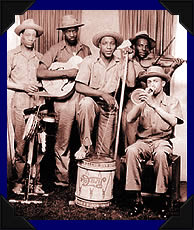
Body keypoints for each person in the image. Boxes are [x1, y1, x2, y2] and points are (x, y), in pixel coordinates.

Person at [37, 15, 91, 187]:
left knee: (86, 137)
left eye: (74, 30)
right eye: (69, 31)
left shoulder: (86, 50)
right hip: (63, 99)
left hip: (82, 96)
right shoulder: (55, 50)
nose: (72, 33)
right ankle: (62, 178)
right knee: (63, 139)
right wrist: (65, 73)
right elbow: (41, 73)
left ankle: (87, 176)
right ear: (63, 33)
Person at [125, 66, 184, 218]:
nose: (151, 84)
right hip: (143, 141)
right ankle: (137, 200)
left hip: (162, 141)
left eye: (155, 81)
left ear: (163, 83)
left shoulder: (172, 101)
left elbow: (173, 121)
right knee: (131, 151)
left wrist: (154, 105)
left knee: (161, 155)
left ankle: (162, 199)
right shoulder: (143, 100)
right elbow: (129, 119)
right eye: (149, 81)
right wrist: (140, 103)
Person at [74, 31, 136, 160]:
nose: (109, 47)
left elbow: (130, 83)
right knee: (86, 103)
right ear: (99, 46)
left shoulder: (120, 62)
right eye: (105, 43)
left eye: (112, 44)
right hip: (92, 101)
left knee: (103, 153)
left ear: (115, 46)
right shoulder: (89, 61)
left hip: (109, 106)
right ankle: (85, 146)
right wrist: (102, 93)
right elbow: (79, 86)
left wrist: (129, 60)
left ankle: (98, 176)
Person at [122, 31, 184, 147]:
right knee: (130, 118)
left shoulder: (153, 63)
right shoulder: (129, 62)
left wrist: (172, 69)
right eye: (140, 45)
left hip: (151, 100)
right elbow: (130, 83)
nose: (143, 49)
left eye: (146, 46)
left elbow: (162, 82)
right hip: (134, 100)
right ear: (134, 46)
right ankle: (130, 150)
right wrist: (129, 60)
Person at [7, 19, 44, 194]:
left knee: (38, 144)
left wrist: (41, 86)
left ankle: (36, 182)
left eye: (33, 35)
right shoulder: (11, 55)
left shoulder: (41, 58)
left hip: (38, 103)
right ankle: (18, 182)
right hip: (20, 103)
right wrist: (22, 86)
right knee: (21, 144)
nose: (30, 38)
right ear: (21, 36)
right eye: (27, 34)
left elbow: (47, 81)